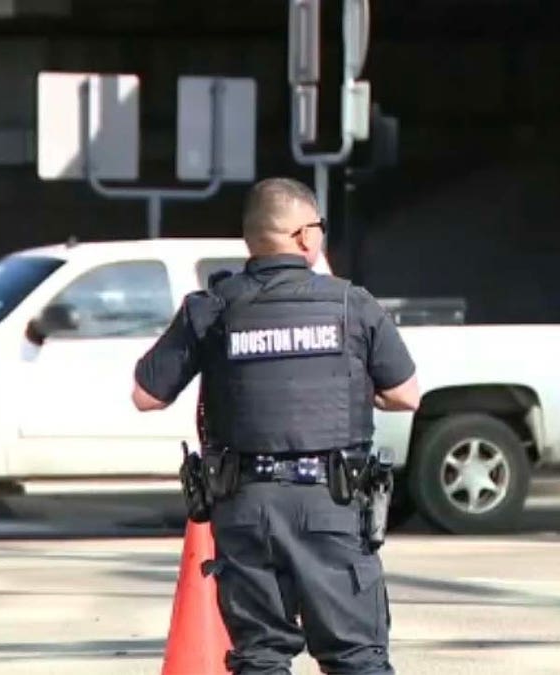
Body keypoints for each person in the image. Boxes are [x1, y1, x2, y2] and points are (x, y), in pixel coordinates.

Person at [131, 177, 420, 674]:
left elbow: (146, 395)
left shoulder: (212, 308)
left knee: (261, 657)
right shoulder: (353, 305)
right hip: (330, 505)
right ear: (306, 236)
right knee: (356, 657)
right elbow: (405, 395)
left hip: (245, 511)